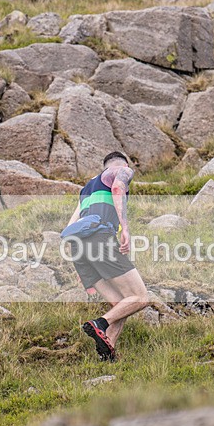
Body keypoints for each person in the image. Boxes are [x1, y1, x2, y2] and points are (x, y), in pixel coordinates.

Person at [64, 151, 149, 362]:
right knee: (140, 298)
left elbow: (69, 228)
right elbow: (119, 188)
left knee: (121, 304)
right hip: (100, 239)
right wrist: (125, 229)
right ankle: (99, 324)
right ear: (124, 164)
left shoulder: (86, 189)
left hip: (78, 248)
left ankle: (107, 355)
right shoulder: (121, 170)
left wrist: (83, 266)